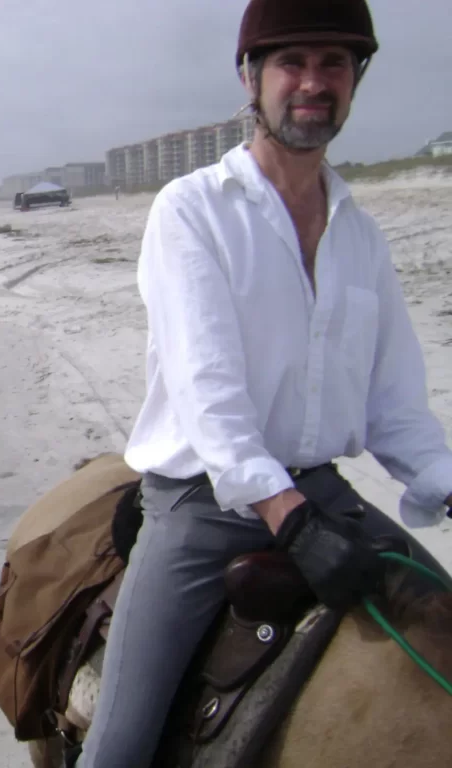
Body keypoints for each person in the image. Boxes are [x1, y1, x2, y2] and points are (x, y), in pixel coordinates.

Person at [78, 1, 452, 766]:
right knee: (118, 750)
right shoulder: (191, 212)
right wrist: (288, 517)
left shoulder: (360, 233)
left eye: (335, 65)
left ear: (355, 81)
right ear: (251, 77)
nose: (314, 82)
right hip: (203, 505)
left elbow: (395, 405)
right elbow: (207, 395)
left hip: (323, 493)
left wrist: (445, 481)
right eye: (293, 63)